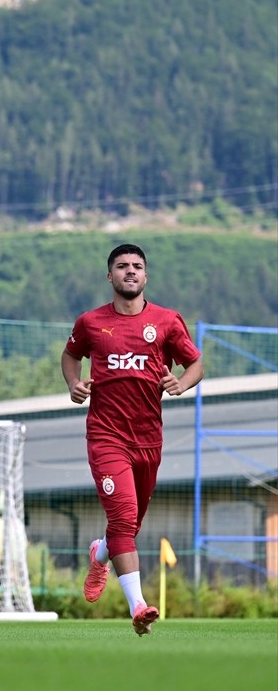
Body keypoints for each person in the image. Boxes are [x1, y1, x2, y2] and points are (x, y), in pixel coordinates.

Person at [61, 243, 203, 636]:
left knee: (129, 525)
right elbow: (70, 355)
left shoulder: (167, 321)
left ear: (146, 276)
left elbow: (195, 362)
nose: (129, 271)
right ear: (110, 276)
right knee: (123, 518)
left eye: (137, 266)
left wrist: (182, 382)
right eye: (121, 266)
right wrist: (74, 383)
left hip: (149, 440)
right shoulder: (90, 323)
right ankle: (138, 606)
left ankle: (101, 551)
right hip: (106, 436)